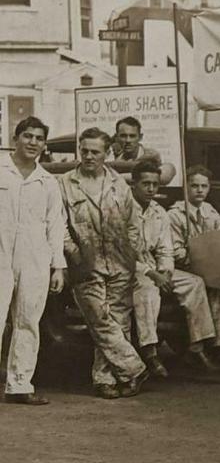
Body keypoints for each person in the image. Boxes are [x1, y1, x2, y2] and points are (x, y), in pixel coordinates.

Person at [59, 127, 149, 399]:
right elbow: (58, 225)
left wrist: (131, 252)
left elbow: (133, 222)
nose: (88, 156)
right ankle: (134, 368)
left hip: (119, 263)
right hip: (85, 265)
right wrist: (74, 253)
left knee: (118, 321)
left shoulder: (118, 184)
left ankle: (106, 380)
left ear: (106, 153)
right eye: (84, 150)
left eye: (95, 152)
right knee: (99, 319)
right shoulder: (64, 183)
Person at [129, 159, 220, 375]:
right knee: (147, 291)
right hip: (131, 268)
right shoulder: (123, 209)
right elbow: (120, 253)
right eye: (145, 184)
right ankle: (149, 352)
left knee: (194, 282)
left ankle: (196, 347)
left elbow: (165, 249)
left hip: (155, 265)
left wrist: (166, 272)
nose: (151, 189)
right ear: (134, 184)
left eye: (155, 184)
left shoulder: (159, 212)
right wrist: (151, 274)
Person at [0, 117, 66, 405]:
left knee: (28, 320)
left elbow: (55, 224)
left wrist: (58, 266)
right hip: (0, 255)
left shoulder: (48, 181)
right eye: (27, 136)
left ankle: (19, 385)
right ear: (16, 138)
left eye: (39, 138)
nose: (33, 143)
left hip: (35, 257)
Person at [167, 166, 220, 362]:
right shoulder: (174, 214)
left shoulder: (211, 213)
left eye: (204, 186)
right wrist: (197, 258)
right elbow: (175, 251)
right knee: (210, 284)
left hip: (207, 265)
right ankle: (210, 344)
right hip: (185, 267)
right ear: (186, 188)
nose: (199, 190)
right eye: (194, 185)